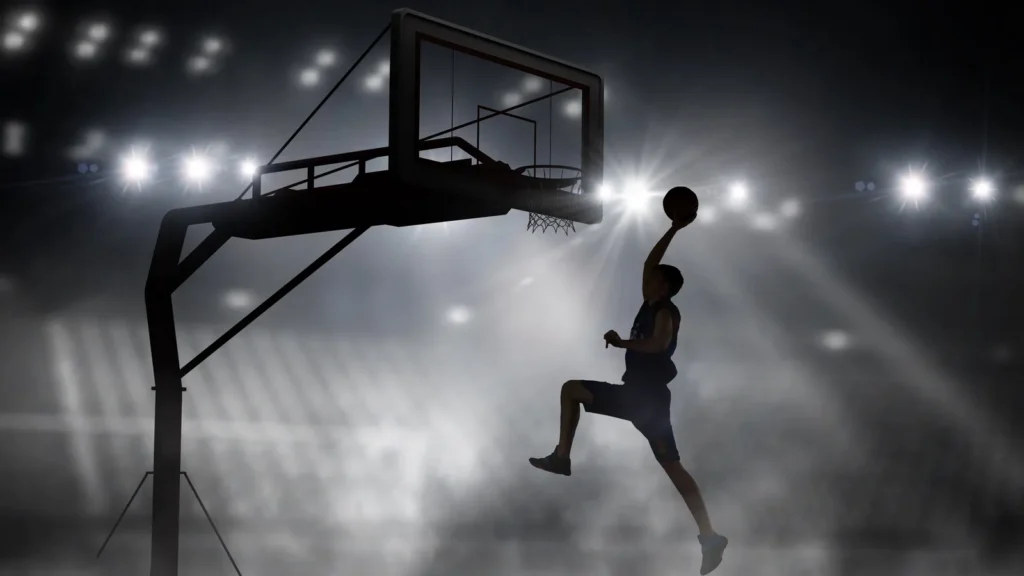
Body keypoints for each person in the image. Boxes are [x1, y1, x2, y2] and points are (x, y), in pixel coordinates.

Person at [529, 215, 729, 575]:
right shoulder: (651, 303)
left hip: (648, 398)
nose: (646, 278)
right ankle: (709, 536)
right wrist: (673, 228)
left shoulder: (666, 311)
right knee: (572, 390)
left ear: (664, 286)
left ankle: (562, 459)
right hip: (637, 395)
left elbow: (659, 344)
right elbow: (649, 262)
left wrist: (623, 341)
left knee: (670, 465)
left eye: (653, 278)